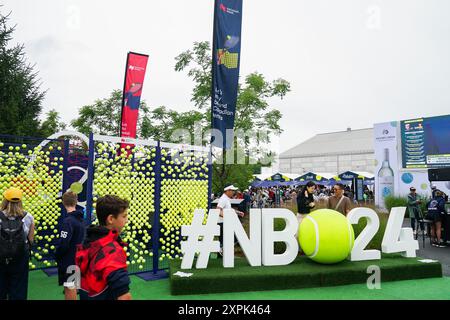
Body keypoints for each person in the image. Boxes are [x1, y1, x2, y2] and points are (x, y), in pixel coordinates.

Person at [76, 195, 131, 300]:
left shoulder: (87, 242)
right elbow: (124, 296)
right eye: (124, 216)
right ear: (111, 219)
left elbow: (73, 282)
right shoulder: (112, 251)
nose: (126, 220)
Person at [0, 187, 34, 300]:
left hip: (1, 257)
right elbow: (31, 240)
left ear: (5, 200)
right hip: (20, 257)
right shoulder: (28, 217)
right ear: (20, 201)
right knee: (19, 289)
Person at [54, 191, 86, 300]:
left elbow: (63, 243)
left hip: (69, 260)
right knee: (73, 285)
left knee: (69, 286)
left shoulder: (68, 222)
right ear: (76, 201)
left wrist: (57, 254)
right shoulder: (81, 220)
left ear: (63, 202)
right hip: (78, 258)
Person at [216, 185, 244, 257]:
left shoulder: (226, 198)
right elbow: (218, 210)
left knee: (224, 240)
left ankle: (222, 254)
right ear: (228, 191)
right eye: (232, 191)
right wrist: (227, 217)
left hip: (224, 223)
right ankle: (222, 253)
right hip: (222, 223)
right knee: (232, 238)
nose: (234, 192)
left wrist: (238, 212)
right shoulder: (223, 199)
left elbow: (228, 209)